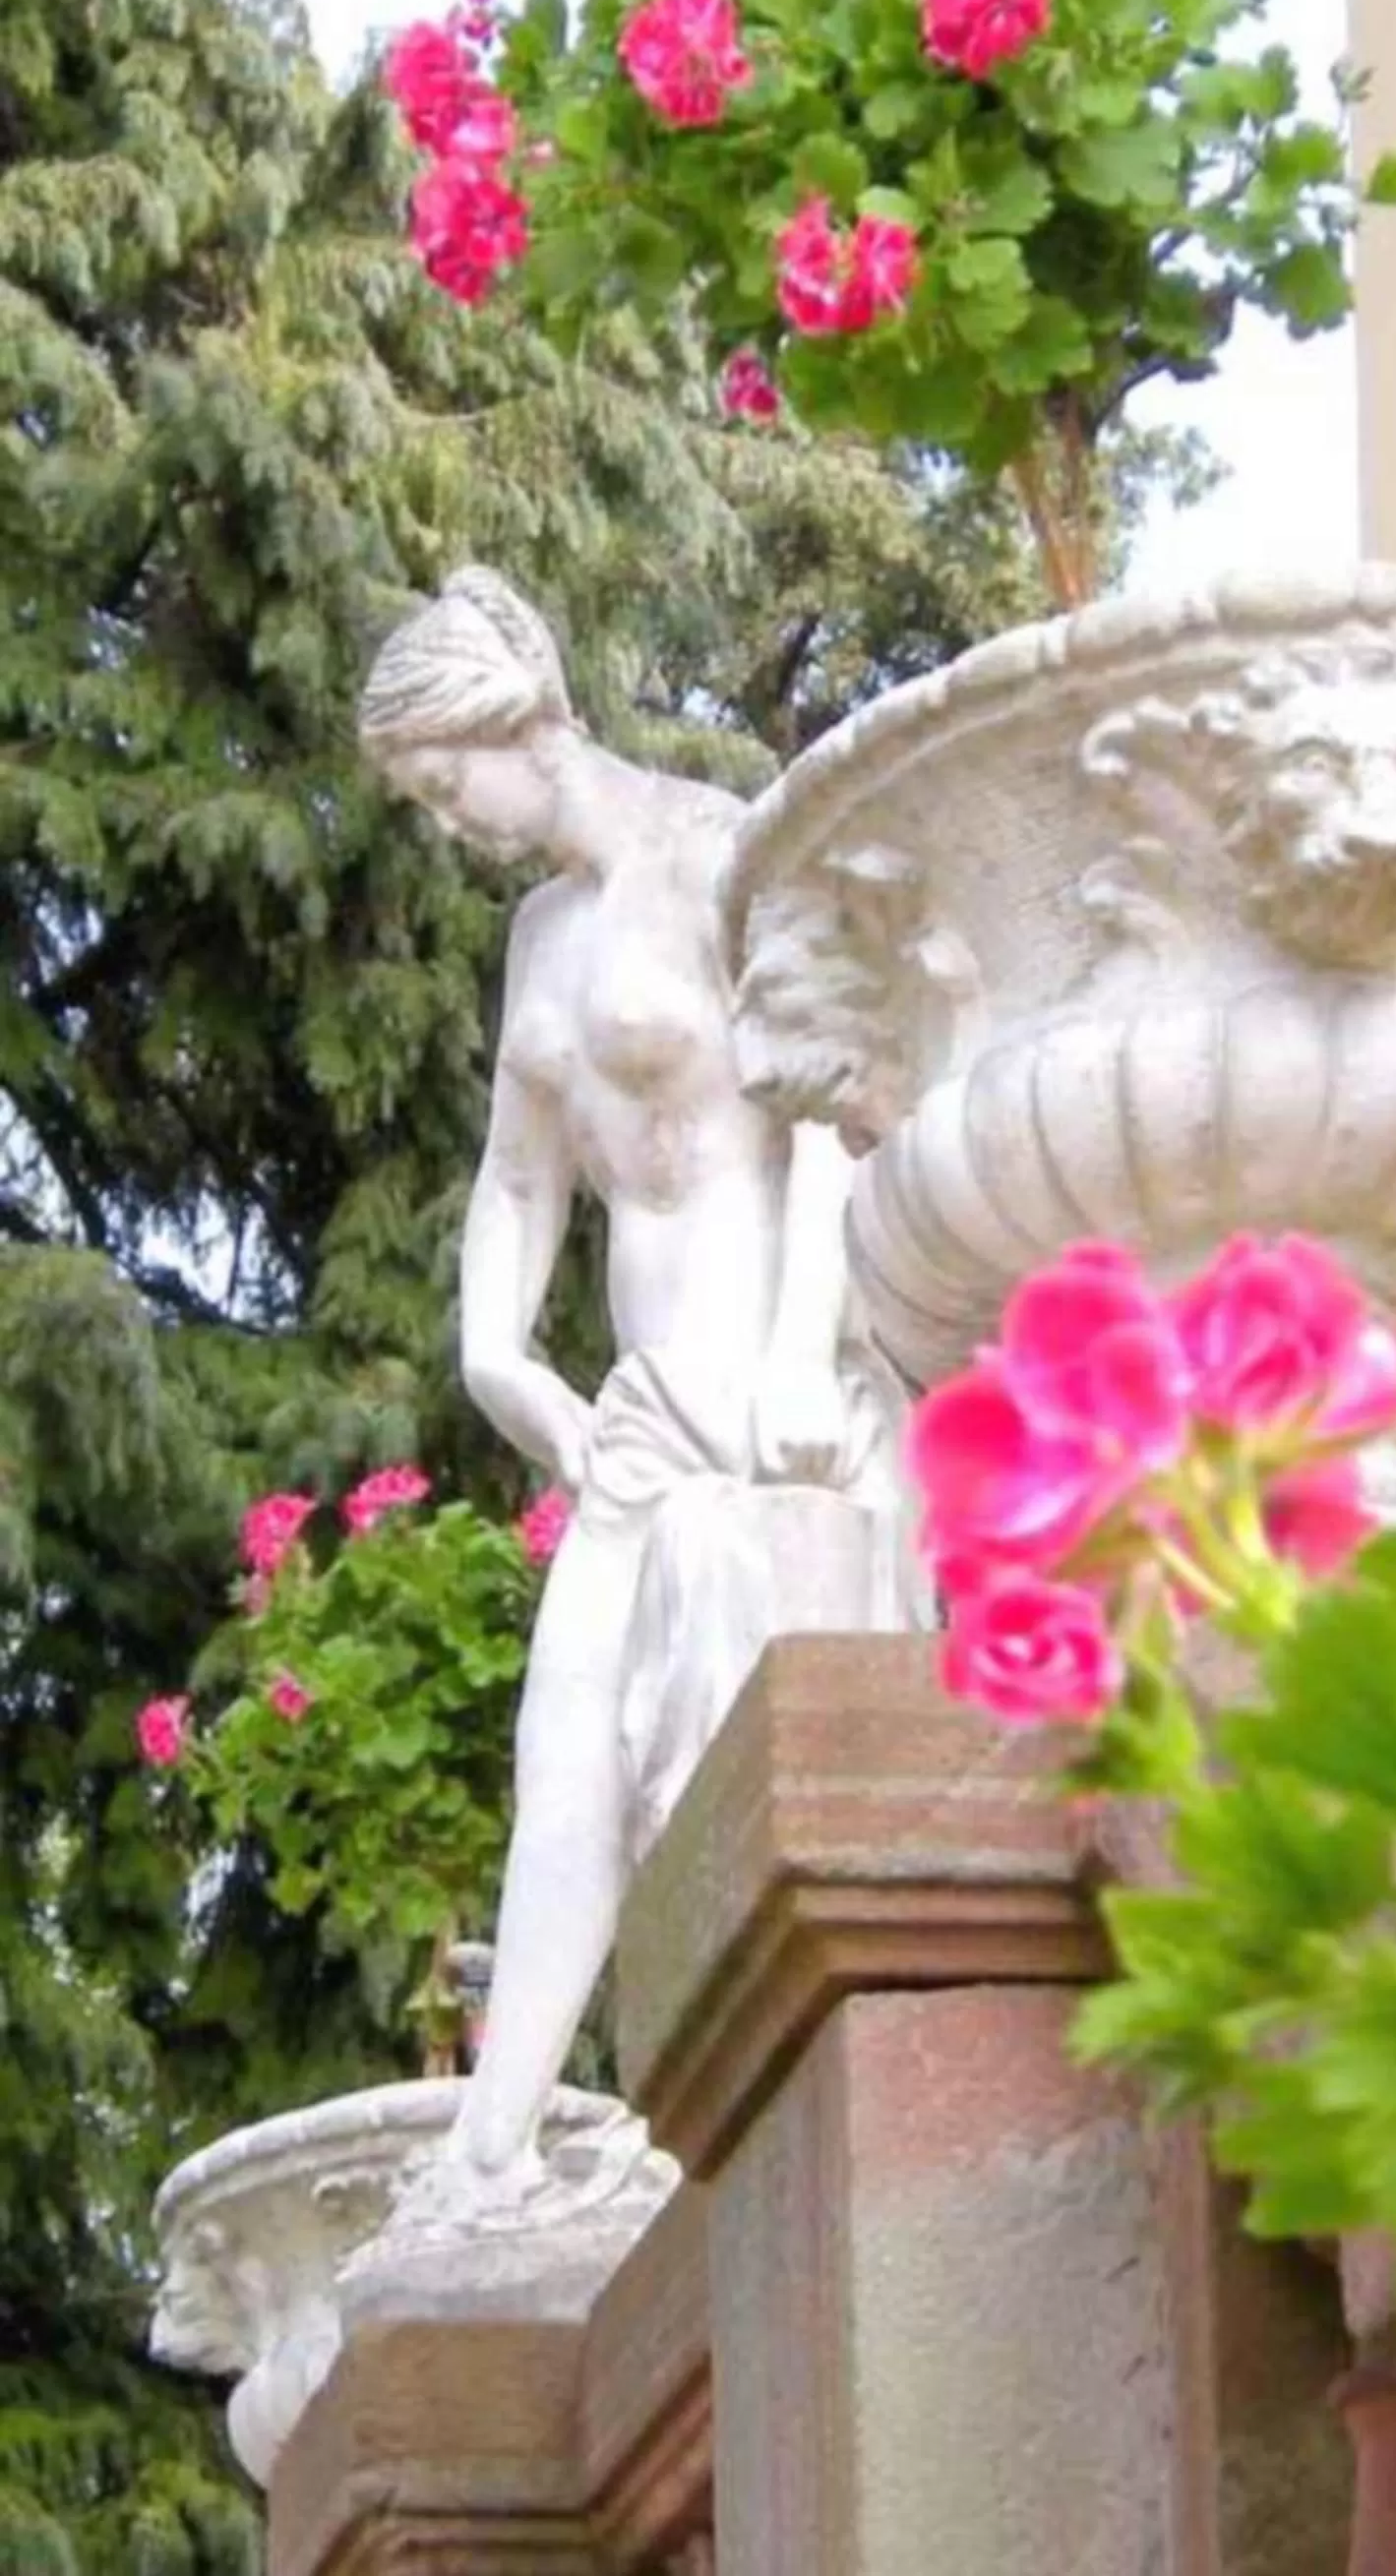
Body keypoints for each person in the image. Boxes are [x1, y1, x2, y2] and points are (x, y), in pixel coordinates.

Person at [358, 565, 886, 2182]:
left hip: (759, 1376)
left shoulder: (718, 850)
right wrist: (496, 1351)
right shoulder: (538, 938)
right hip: (636, 1408)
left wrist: (805, 1362)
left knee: (692, 1737)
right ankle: (495, 2148)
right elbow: (521, 1185)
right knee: (566, 1738)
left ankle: (733, 2130)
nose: (451, 824)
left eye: (449, 785)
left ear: (519, 724)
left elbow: (829, 1116)